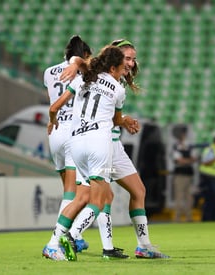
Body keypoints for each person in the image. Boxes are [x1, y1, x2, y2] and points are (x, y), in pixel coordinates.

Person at [61, 39, 170, 259]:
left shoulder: (116, 84)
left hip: (113, 144)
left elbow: (108, 113)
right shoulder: (96, 72)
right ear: (116, 59)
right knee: (99, 198)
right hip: (99, 144)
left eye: (133, 59)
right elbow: (82, 64)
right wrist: (74, 63)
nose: (131, 63)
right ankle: (76, 240)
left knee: (137, 191)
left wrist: (124, 120)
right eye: (127, 58)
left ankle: (142, 246)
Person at [45, 45, 134, 261]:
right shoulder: (118, 89)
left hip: (76, 144)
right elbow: (115, 120)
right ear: (113, 67)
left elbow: (54, 107)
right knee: (99, 200)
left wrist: (52, 120)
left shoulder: (84, 79)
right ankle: (72, 236)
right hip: (98, 144)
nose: (125, 70)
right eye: (123, 66)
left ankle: (53, 244)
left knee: (82, 197)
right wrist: (126, 121)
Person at [42, 35, 91, 260]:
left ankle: (73, 235)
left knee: (68, 191)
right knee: (75, 192)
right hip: (73, 131)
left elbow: (51, 97)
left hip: (55, 130)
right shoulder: (84, 70)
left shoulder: (48, 72)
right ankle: (57, 241)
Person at [172, 130, 197, 222]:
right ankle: (177, 218)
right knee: (179, 196)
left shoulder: (189, 147)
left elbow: (193, 158)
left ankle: (189, 217)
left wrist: (185, 160)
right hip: (180, 175)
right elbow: (179, 160)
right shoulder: (176, 147)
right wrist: (188, 160)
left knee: (189, 197)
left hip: (188, 174)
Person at [198, 135, 215, 222]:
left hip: (214, 176)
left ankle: (212, 218)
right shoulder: (211, 150)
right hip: (208, 177)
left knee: (213, 199)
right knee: (211, 199)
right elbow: (205, 162)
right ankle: (208, 219)